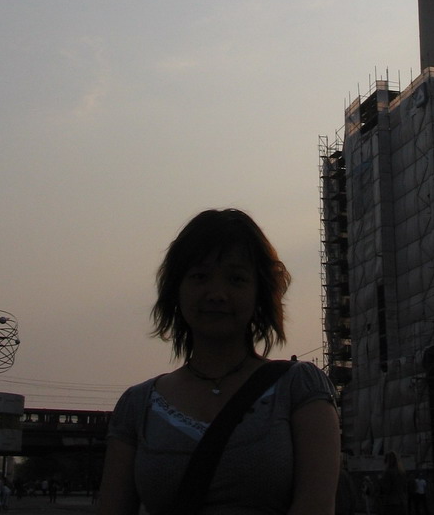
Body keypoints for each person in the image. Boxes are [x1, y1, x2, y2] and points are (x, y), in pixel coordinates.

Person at [98, 209, 340, 515]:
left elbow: (315, 506)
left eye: (236, 279)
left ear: (260, 293)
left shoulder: (301, 389)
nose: (217, 294)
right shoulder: (138, 406)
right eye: (200, 277)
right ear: (176, 290)